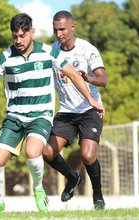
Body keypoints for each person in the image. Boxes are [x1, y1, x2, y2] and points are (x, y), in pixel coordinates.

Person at [0, 13, 104, 215]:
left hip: (40, 115)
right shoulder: (5, 57)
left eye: (22, 36)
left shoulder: (48, 53)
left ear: (31, 32)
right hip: (15, 117)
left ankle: (38, 188)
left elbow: (72, 74)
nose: (18, 40)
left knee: (33, 152)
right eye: (14, 36)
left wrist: (90, 99)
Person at [43, 11, 108, 210]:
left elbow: (103, 79)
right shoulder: (51, 50)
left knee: (88, 155)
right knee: (47, 152)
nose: (58, 33)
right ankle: (72, 177)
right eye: (55, 30)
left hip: (89, 110)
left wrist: (88, 79)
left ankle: (97, 195)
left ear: (73, 27)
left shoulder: (87, 49)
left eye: (62, 29)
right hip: (65, 112)